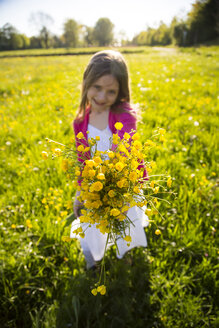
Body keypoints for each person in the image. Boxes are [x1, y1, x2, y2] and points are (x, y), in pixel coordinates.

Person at [70, 50, 148, 269]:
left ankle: (127, 257)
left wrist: (118, 193)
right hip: (96, 186)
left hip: (124, 184)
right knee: (92, 227)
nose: (102, 97)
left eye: (111, 91)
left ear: (120, 92)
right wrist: (81, 192)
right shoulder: (81, 122)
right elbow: (83, 160)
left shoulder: (124, 115)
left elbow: (125, 153)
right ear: (86, 82)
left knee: (126, 225)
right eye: (97, 88)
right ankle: (94, 262)